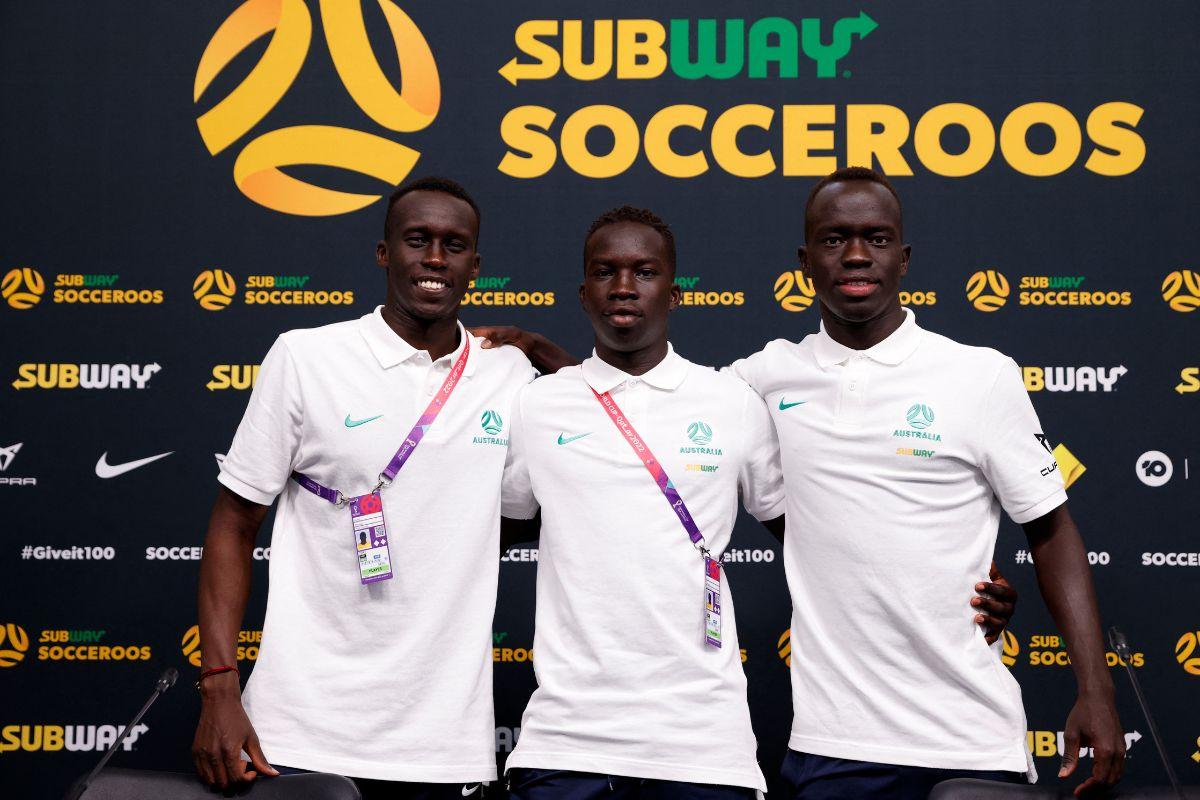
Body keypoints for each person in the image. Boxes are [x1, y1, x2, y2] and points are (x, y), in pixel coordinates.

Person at [490, 207, 1018, 799]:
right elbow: (486, 533)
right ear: (582, 292)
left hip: (706, 747)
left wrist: (952, 585)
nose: (623, 287)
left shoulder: (733, 400)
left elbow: (821, 538)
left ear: (674, 291)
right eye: (605, 272)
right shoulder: (534, 407)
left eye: (644, 272)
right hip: (564, 741)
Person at [725, 166, 1125, 798]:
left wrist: (1095, 691)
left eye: (876, 238)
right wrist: (540, 356)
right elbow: (649, 405)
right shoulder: (761, 378)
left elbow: (1051, 531)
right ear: (804, 261)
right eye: (834, 240)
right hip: (834, 747)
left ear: (904, 259)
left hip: (969, 742)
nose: (856, 254)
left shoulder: (978, 375)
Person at [191, 176, 564, 799]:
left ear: (477, 264)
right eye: (418, 240)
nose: (436, 259)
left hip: (442, 746)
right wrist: (220, 686)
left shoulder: (509, 376)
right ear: (385, 252)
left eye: (455, 244)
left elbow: (599, 432)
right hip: (296, 732)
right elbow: (234, 524)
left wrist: (544, 350)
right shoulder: (306, 357)